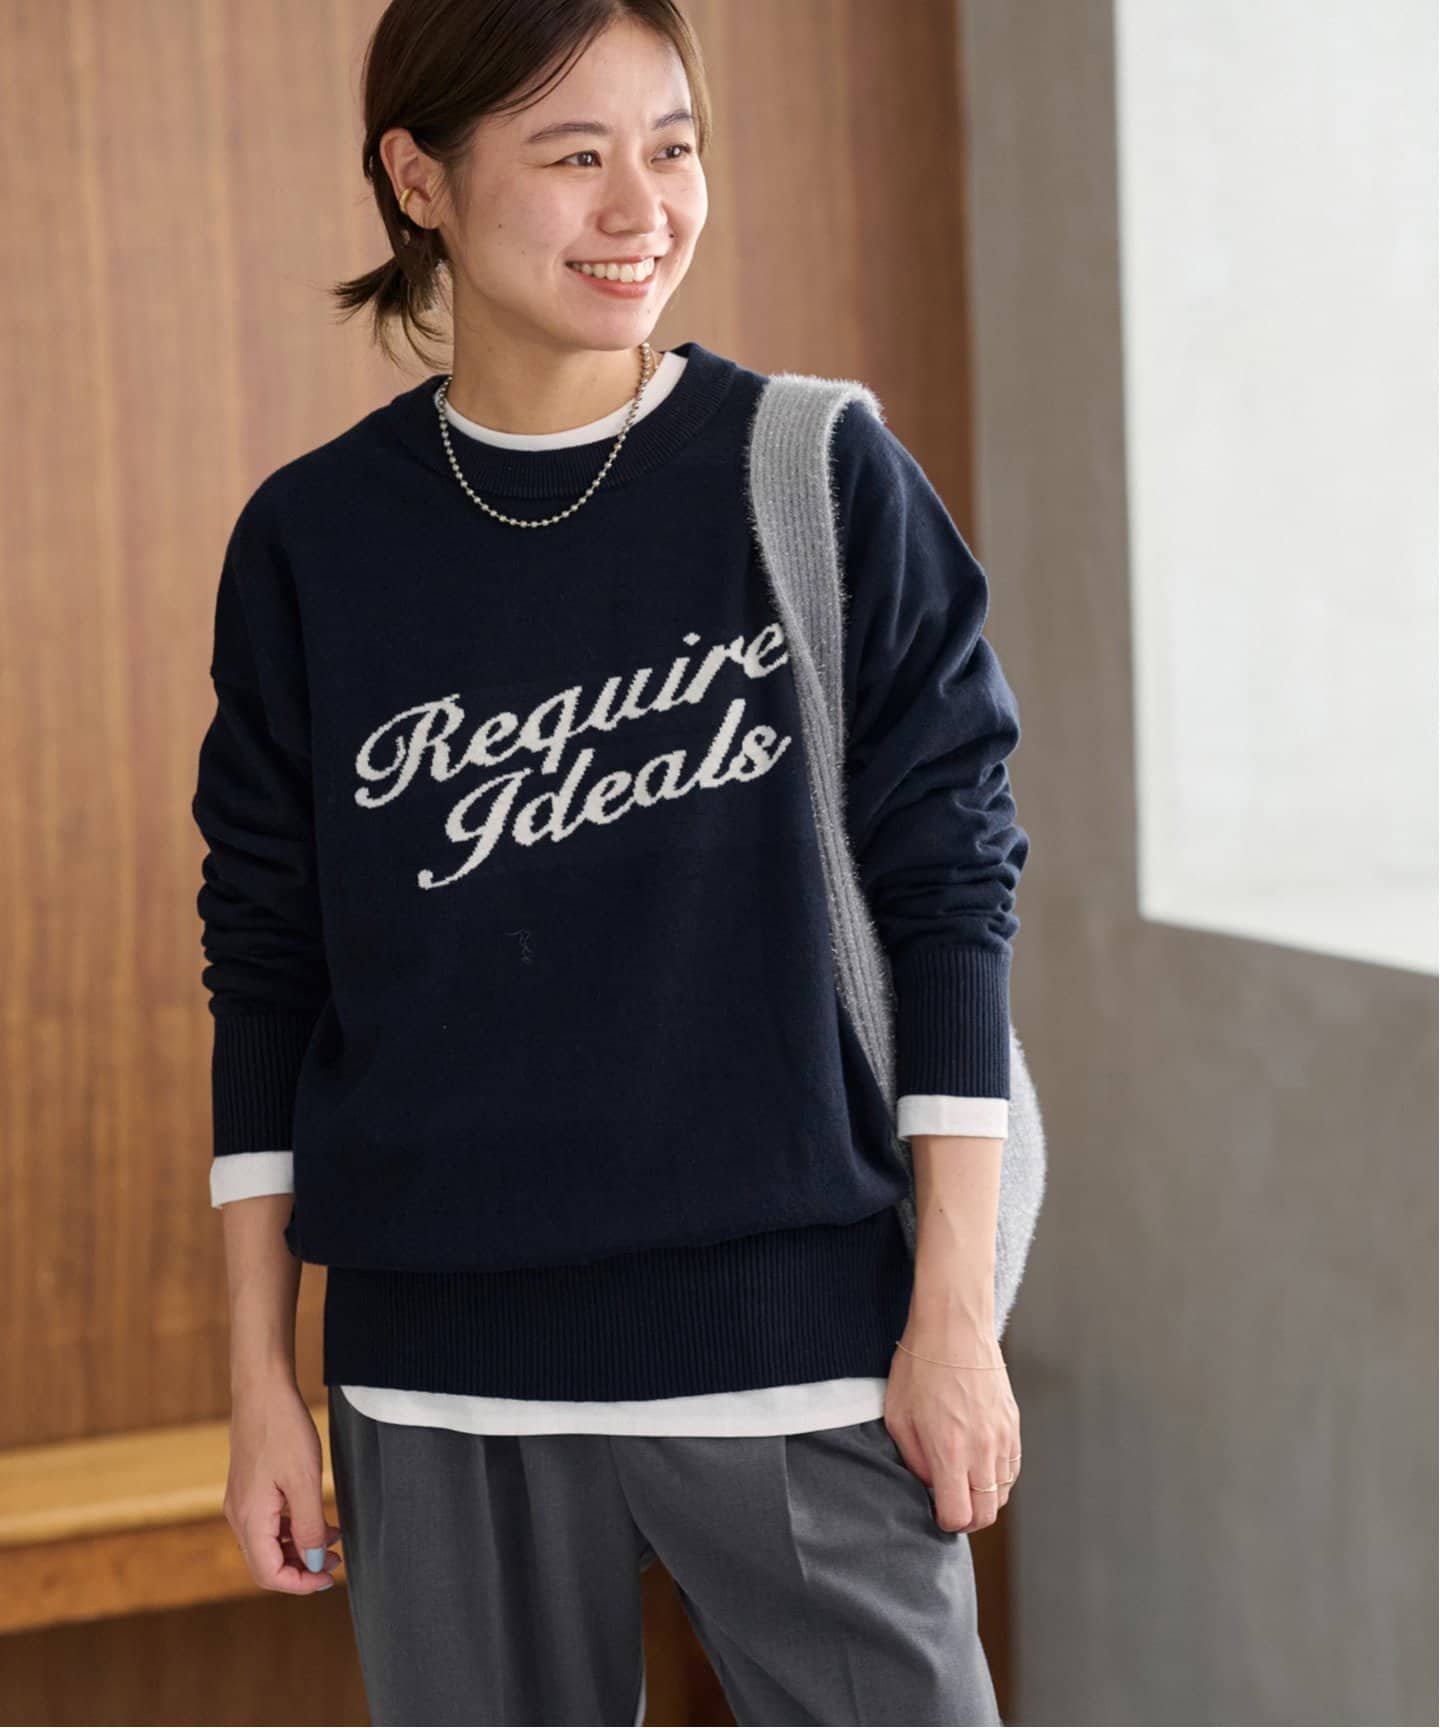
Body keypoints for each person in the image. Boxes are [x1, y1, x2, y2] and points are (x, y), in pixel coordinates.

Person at [192, 2, 1029, 1722]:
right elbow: (267, 966)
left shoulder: (820, 476)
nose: (641, 207)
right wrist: (259, 1378)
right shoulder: (314, 543)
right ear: (418, 179)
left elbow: (953, 887)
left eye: (673, 147)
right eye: (574, 156)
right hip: (440, 1376)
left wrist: (953, 1319)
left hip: (799, 1349)